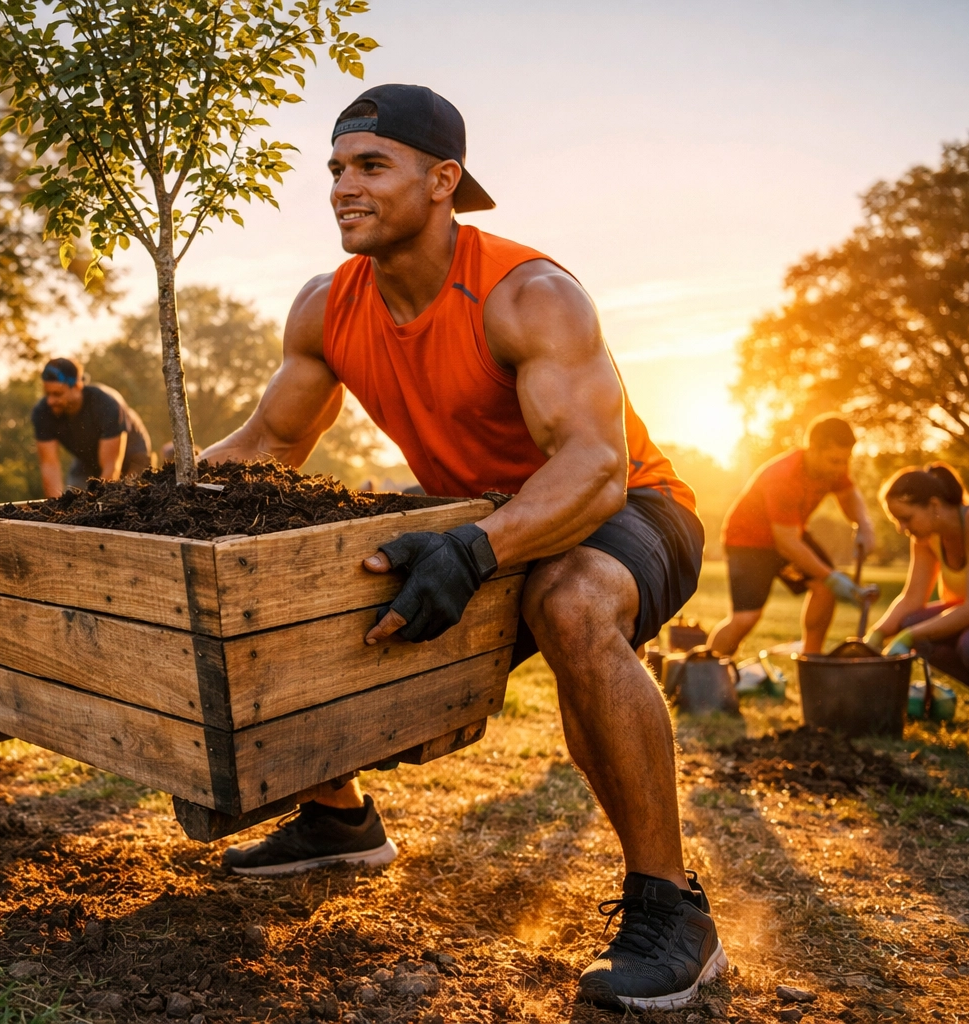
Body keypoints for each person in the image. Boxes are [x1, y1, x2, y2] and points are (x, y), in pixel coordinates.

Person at [198, 84, 721, 1010]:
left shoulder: (529, 294)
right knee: (331, 566)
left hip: (627, 506)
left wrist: (477, 550)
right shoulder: (328, 307)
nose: (342, 188)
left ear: (444, 181)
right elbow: (267, 448)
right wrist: (147, 498)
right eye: (335, 169)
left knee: (569, 603)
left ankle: (671, 907)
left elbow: (594, 469)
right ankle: (337, 820)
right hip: (481, 513)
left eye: (370, 166)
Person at [709, 415, 877, 656]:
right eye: (834, 461)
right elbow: (787, 544)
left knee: (824, 589)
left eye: (845, 461)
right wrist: (832, 577)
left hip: (790, 534)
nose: (840, 468)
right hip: (748, 542)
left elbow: (849, 494)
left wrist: (864, 524)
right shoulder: (784, 477)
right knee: (746, 618)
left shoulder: (833, 468)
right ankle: (704, 668)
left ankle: (812, 660)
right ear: (813, 450)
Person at [868, 463, 969, 728]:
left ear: (934, 506)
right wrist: (875, 637)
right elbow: (912, 598)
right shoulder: (926, 538)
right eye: (896, 521)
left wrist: (908, 637)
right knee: (911, 622)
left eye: (906, 518)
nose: (901, 528)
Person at [32, 357, 153, 496]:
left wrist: (98, 508)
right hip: (88, 460)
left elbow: (111, 468)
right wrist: (53, 512)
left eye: (57, 394)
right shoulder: (43, 412)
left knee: (126, 498)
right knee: (70, 502)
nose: (51, 401)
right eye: (47, 394)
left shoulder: (107, 404)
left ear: (77, 386)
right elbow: (49, 466)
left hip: (132, 457)